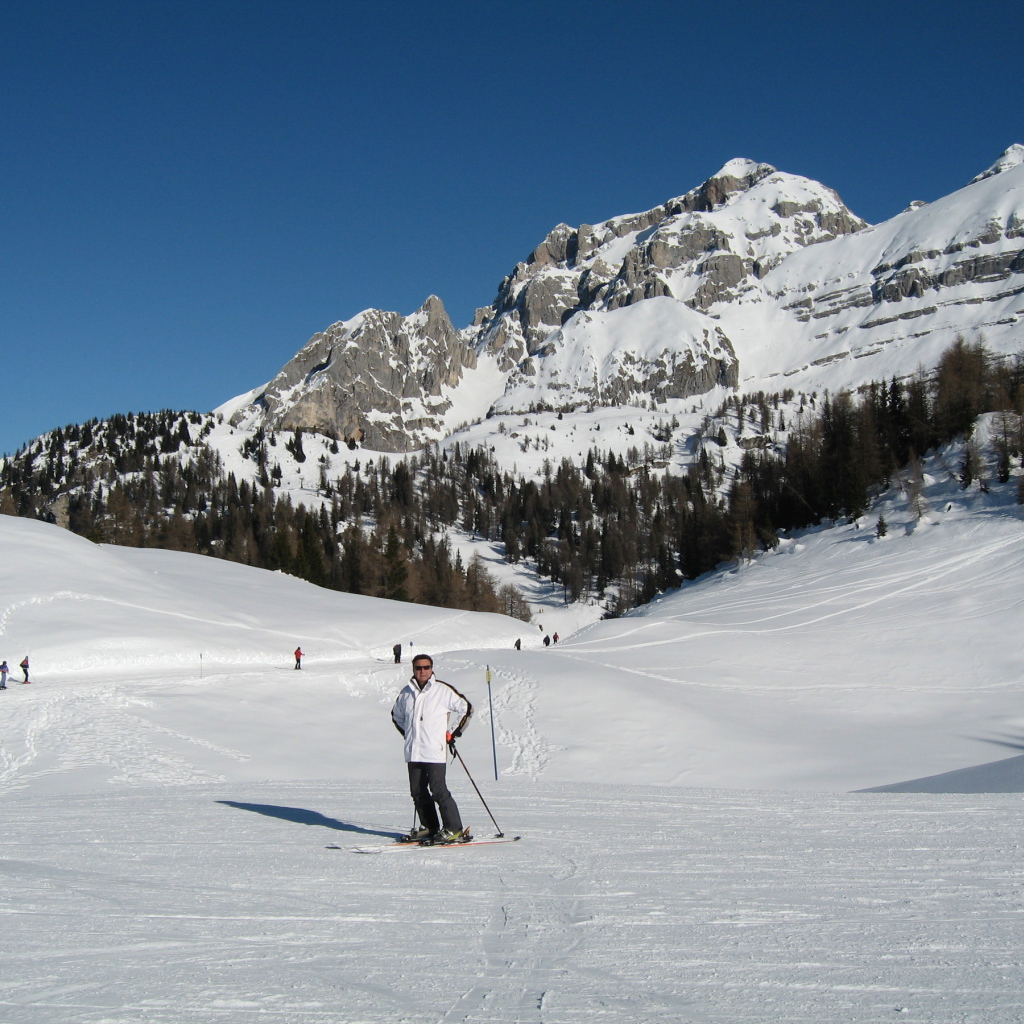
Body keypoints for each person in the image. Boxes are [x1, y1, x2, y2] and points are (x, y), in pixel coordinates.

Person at [391, 654, 472, 843]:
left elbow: (466, 708)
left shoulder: (442, 690)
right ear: (413, 669)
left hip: (434, 750)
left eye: (426, 667)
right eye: (418, 668)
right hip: (414, 750)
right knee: (417, 791)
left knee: (438, 790)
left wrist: (452, 732)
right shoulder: (406, 693)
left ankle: (454, 828)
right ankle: (430, 827)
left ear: (432, 668)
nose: (422, 671)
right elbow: (397, 715)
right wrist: (411, 733)